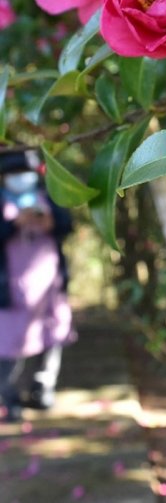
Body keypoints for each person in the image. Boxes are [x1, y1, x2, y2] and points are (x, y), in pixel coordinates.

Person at [0, 150, 74, 423]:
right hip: (10, 291)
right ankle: (8, 396)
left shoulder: (48, 197)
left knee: (51, 336)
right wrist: (12, 225)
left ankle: (43, 388)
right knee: (7, 344)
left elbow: (67, 226)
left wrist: (51, 223)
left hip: (48, 287)